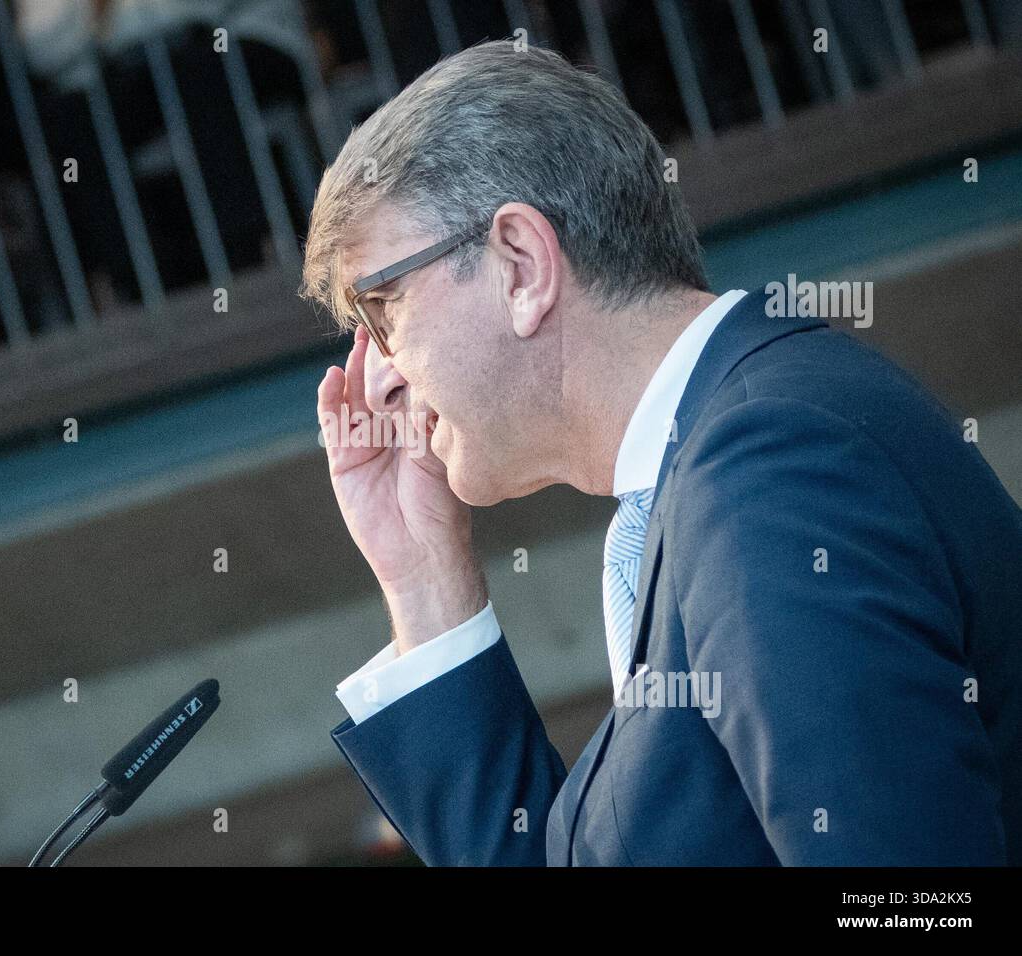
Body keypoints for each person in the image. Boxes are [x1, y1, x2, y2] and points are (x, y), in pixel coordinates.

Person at [299, 41, 1022, 865]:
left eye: (384, 311)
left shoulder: (767, 468)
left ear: (522, 266)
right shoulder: (728, 465)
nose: (379, 380)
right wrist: (425, 582)